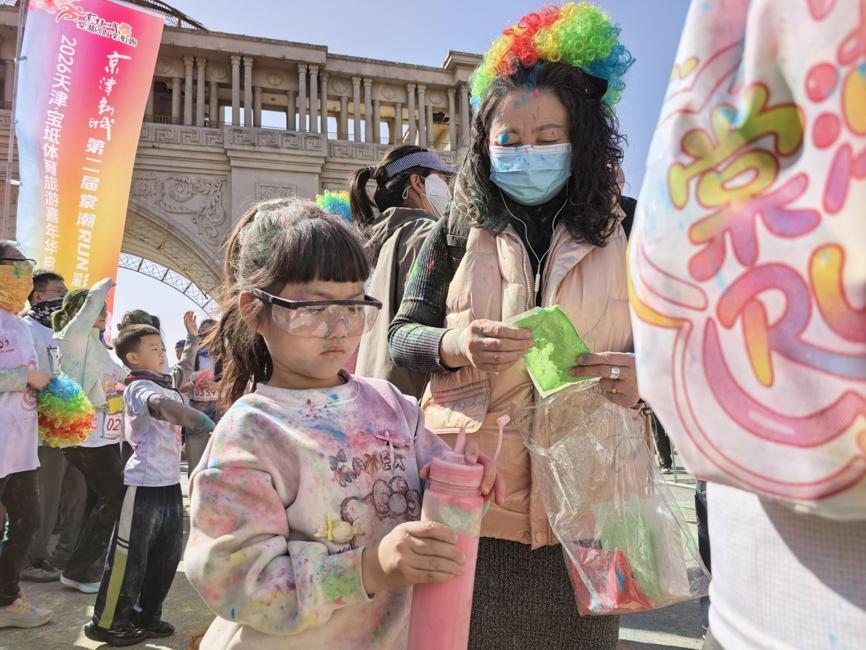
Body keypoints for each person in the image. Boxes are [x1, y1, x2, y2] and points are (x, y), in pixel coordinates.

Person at [389, 4, 636, 647]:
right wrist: (454, 342)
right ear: (484, 144)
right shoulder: (452, 231)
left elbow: (685, 350)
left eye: (548, 136)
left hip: (588, 505)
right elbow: (402, 334)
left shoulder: (629, 227)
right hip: (473, 497)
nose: (529, 153)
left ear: (582, 138)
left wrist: (648, 379)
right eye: (510, 140)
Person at [183, 198, 503, 649]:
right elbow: (236, 583)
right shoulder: (251, 433)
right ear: (255, 310)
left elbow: (436, 508)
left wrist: (467, 483)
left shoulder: (393, 405)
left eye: (354, 305)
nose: (339, 328)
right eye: (313, 308)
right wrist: (368, 569)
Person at [83, 324, 215, 646]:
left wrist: (194, 339)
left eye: (162, 347)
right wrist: (200, 421)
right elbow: (162, 406)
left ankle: (146, 614)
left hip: (171, 483)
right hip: (143, 485)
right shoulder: (138, 387)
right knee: (129, 559)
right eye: (153, 348)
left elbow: (182, 370)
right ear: (133, 357)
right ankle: (108, 621)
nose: (161, 352)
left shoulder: (167, 382)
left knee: (166, 557)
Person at [350, 145, 455, 398]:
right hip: (412, 402)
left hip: (378, 395)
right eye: (443, 179)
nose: (448, 189)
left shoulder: (381, 239)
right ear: (417, 182)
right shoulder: (425, 234)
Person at [52, 279, 129, 594]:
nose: (104, 313)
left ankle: (81, 569)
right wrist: (99, 290)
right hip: (84, 435)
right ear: (79, 311)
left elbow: (120, 385)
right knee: (116, 495)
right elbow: (84, 316)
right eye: (98, 308)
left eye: (106, 310)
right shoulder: (73, 337)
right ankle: (83, 570)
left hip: (106, 435)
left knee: (99, 498)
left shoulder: (102, 349)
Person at [20, 270, 87, 582]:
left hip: (73, 424)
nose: (63, 295)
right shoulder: (26, 328)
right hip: (43, 427)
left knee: (77, 488)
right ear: (38, 296)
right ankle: (34, 557)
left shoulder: (67, 331)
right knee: (46, 493)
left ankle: (67, 552)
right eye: (57, 291)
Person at [0, 242, 53, 628]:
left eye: (25, 268)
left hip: (21, 447)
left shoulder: (20, 324)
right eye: (13, 267)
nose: (22, 275)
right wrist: (25, 379)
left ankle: (6, 599)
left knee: (28, 522)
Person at [181, 317, 221, 476]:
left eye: (213, 332)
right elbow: (178, 386)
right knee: (196, 461)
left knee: (219, 459)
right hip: (196, 410)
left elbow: (236, 384)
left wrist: (217, 385)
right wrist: (194, 382)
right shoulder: (191, 357)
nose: (209, 336)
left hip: (219, 410)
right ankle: (196, 494)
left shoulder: (226, 356)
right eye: (205, 332)